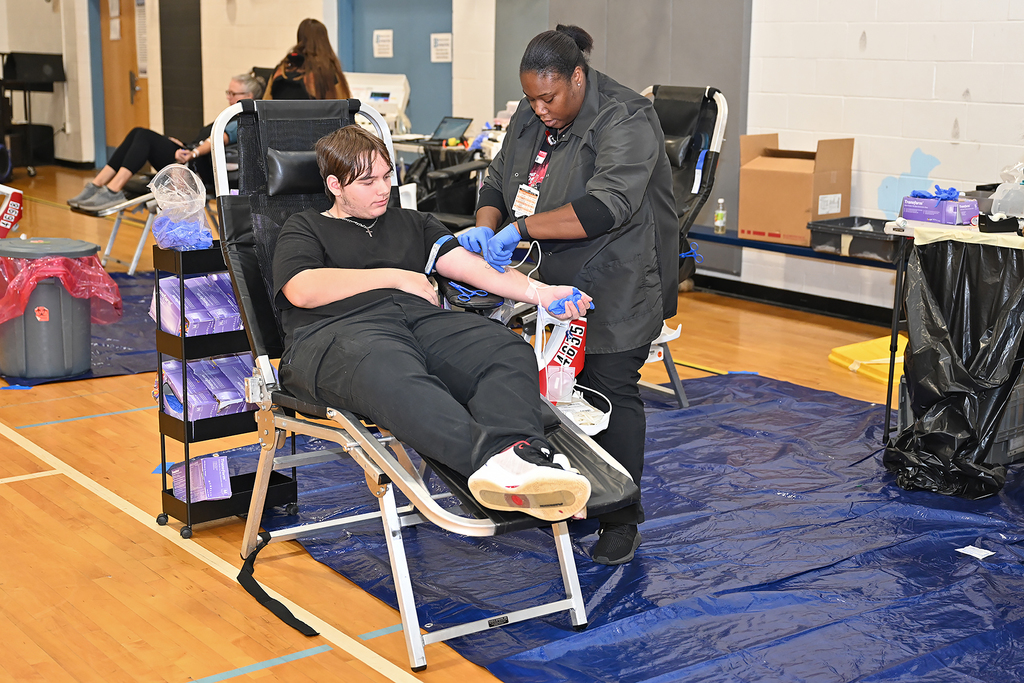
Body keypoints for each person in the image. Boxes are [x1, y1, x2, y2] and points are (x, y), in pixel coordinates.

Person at [273, 125, 594, 522]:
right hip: (336, 335)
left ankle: (524, 457)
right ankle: (492, 464)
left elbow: (473, 269)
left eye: (387, 176)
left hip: (417, 323)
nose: (383, 188)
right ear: (335, 185)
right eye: (368, 180)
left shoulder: (413, 222)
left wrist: (543, 293)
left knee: (502, 346)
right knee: (389, 365)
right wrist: (397, 276)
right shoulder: (304, 226)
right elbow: (301, 290)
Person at [459, 25, 677, 565]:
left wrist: (522, 229)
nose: (539, 108)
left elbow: (607, 206)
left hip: (616, 282)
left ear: (578, 77)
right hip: (548, 285)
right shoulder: (534, 114)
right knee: (562, 391)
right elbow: (495, 179)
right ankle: (579, 496)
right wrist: (488, 226)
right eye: (530, 98)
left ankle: (621, 517)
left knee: (609, 390)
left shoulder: (627, 117)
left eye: (548, 97)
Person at [68, 74, 264, 212]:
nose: (228, 97)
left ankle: (113, 190)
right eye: (227, 92)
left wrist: (193, 152)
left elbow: (217, 139)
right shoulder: (229, 116)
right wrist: (186, 146)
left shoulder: (243, 120)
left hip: (196, 170)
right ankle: (97, 185)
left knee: (144, 136)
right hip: (189, 157)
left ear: (248, 97)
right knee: (138, 132)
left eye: (233, 94)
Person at [264, 18, 351, 101]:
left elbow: (265, 104)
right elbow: (344, 107)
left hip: (280, 116)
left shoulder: (281, 70)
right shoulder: (328, 73)